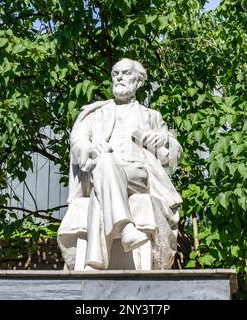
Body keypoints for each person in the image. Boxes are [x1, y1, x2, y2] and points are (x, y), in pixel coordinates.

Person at [58, 58, 183, 270]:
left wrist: (164, 140)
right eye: (115, 74)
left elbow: (173, 160)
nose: (119, 78)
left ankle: (95, 262)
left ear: (139, 81)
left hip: (136, 177)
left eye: (125, 73)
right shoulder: (95, 113)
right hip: (97, 171)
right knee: (105, 162)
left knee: (102, 184)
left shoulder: (152, 116)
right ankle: (125, 228)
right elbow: (77, 141)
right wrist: (90, 149)